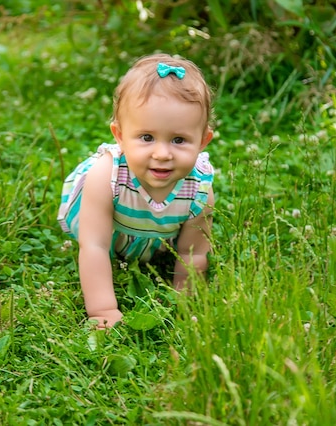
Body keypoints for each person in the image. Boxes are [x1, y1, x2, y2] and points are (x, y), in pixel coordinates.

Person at [58, 53, 215, 329]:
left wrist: (185, 303)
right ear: (119, 135)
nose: (162, 153)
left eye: (179, 140)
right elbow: (94, 245)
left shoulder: (199, 188)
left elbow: (193, 253)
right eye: (146, 137)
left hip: (157, 232)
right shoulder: (106, 176)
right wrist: (102, 308)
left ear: (203, 141)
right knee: (96, 241)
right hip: (105, 226)